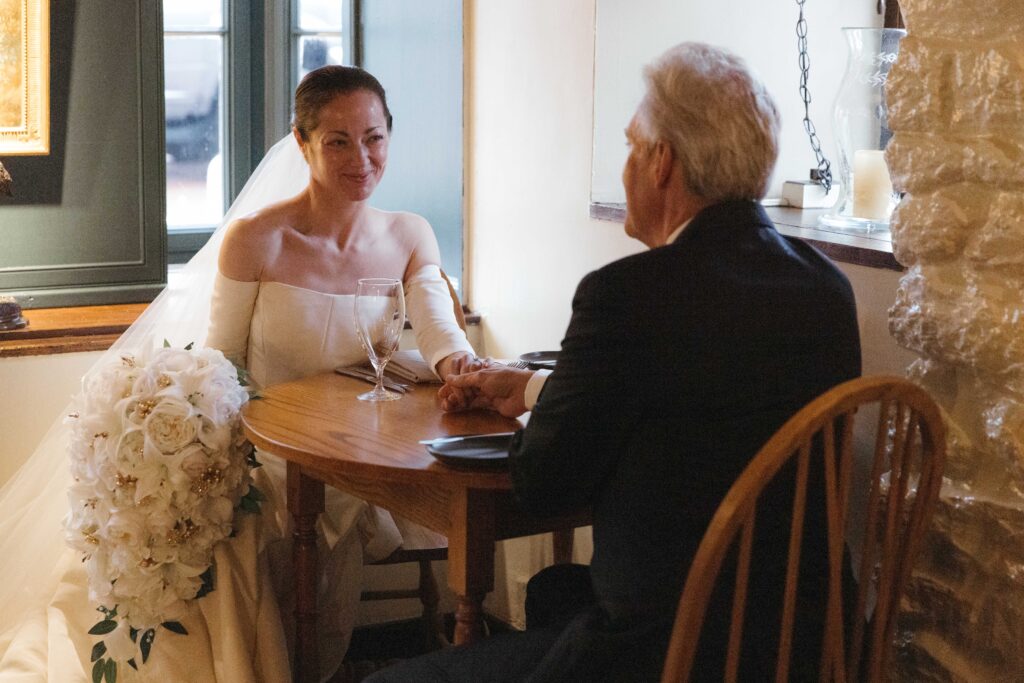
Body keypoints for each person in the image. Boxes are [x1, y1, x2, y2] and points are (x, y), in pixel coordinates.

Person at [367, 42, 862, 682]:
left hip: (672, 650)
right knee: (555, 591)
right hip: (806, 640)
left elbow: (544, 485)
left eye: (631, 146)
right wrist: (538, 390)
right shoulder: (826, 289)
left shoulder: (628, 295)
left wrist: (552, 414)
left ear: (662, 162)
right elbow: (695, 407)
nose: (625, 166)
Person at [0, 66, 474, 682]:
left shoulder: (410, 233)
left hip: (357, 449)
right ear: (302, 142)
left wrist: (465, 367)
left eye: (374, 138)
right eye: (338, 141)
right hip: (266, 449)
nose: (361, 159)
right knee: (237, 535)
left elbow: (439, 329)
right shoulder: (257, 238)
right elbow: (218, 364)